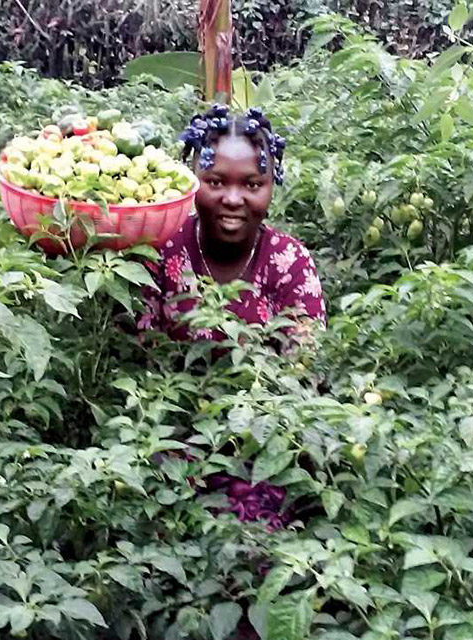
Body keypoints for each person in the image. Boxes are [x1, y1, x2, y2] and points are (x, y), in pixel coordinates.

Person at [138, 104, 326, 531]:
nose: (234, 199)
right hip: (169, 442)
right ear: (193, 181)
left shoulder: (288, 261)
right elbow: (135, 354)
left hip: (258, 452)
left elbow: (303, 372)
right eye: (216, 181)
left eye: (253, 184)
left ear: (271, 187)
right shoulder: (159, 249)